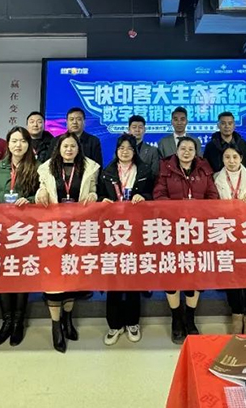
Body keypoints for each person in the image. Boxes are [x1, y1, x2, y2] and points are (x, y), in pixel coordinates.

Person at [36, 132, 100, 353]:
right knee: (53, 277)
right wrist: (41, 192)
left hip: (78, 230)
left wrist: (94, 195)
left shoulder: (90, 167)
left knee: (73, 274)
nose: (69, 150)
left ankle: (68, 319)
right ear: (59, 148)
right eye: (65, 146)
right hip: (53, 230)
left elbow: (93, 190)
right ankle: (56, 325)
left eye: (73, 146)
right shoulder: (46, 168)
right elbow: (41, 188)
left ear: (78, 148)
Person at [153, 137, 218, 344]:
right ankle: (176, 318)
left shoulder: (204, 169)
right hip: (172, 229)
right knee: (172, 274)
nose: (187, 152)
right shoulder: (166, 168)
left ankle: (190, 318)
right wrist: (179, 209)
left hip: (197, 230)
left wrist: (198, 211)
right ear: (177, 150)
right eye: (183, 148)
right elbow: (158, 195)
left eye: (191, 149)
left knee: (194, 275)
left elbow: (213, 196)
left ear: (196, 152)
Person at [0, 127, 40, 347]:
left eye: (23, 141)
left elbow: (43, 193)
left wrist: (31, 200)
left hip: (25, 229)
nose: (18, 145)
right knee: (3, 274)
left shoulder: (37, 167)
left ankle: (18, 321)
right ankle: (6, 321)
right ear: (7, 143)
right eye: (14, 141)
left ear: (28, 144)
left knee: (21, 274)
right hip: (1, 228)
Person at [98, 134, 155, 346]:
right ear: (116, 151)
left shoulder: (145, 171)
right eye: (121, 148)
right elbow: (98, 196)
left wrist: (144, 197)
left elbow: (154, 195)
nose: (125, 151)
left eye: (129, 148)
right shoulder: (107, 172)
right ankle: (114, 324)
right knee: (113, 278)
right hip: (113, 231)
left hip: (136, 230)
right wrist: (101, 200)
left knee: (133, 277)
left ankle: (132, 322)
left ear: (135, 151)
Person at [214, 145, 246, 334]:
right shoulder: (216, 179)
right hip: (227, 233)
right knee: (232, 275)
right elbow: (210, 206)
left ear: (241, 158)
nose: (231, 161)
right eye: (227, 157)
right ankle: (236, 313)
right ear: (222, 159)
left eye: (235, 157)